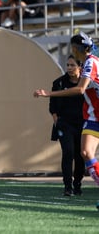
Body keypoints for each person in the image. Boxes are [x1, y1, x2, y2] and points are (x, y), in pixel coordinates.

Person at [33, 32, 99, 187]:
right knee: (85, 152)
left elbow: (80, 89)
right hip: (93, 115)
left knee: (85, 153)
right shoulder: (85, 63)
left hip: (95, 114)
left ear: (76, 49)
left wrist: (49, 94)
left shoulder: (90, 62)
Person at [49, 55, 85, 196]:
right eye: (68, 65)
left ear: (80, 67)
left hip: (83, 123)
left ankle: (77, 184)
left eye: (72, 65)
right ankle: (67, 186)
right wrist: (56, 120)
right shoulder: (59, 83)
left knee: (80, 154)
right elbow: (52, 105)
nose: (69, 68)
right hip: (65, 124)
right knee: (68, 152)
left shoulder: (86, 83)